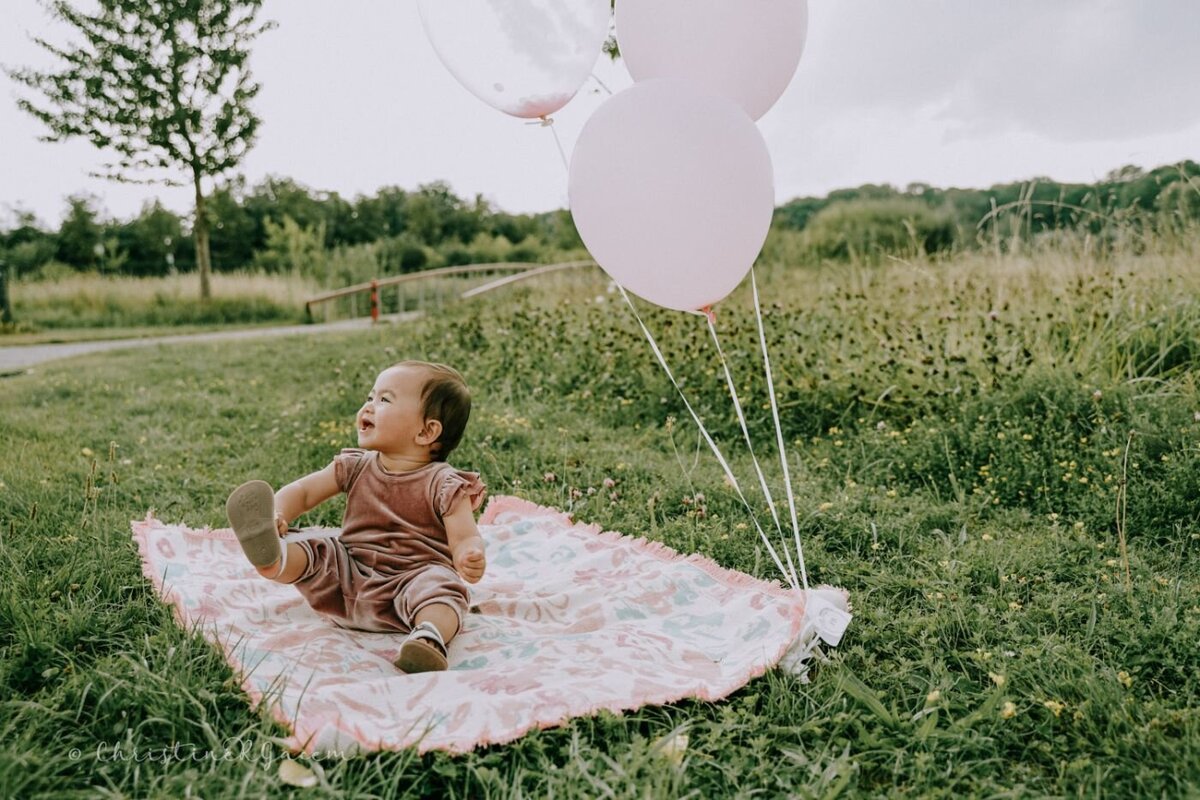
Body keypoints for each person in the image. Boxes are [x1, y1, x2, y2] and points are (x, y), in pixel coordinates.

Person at [225, 360, 486, 674]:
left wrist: (468, 554)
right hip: (349, 575)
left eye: (384, 400)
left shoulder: (444, 484)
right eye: (370, 397)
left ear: (426, 431)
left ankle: (428, 636)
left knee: (443, 587)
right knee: (320, 551)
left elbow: (465, 535)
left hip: (412, 582)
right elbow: (304, 492)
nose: (368, 406)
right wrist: (277, 513)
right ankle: (274, 557)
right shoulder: (355, 465)